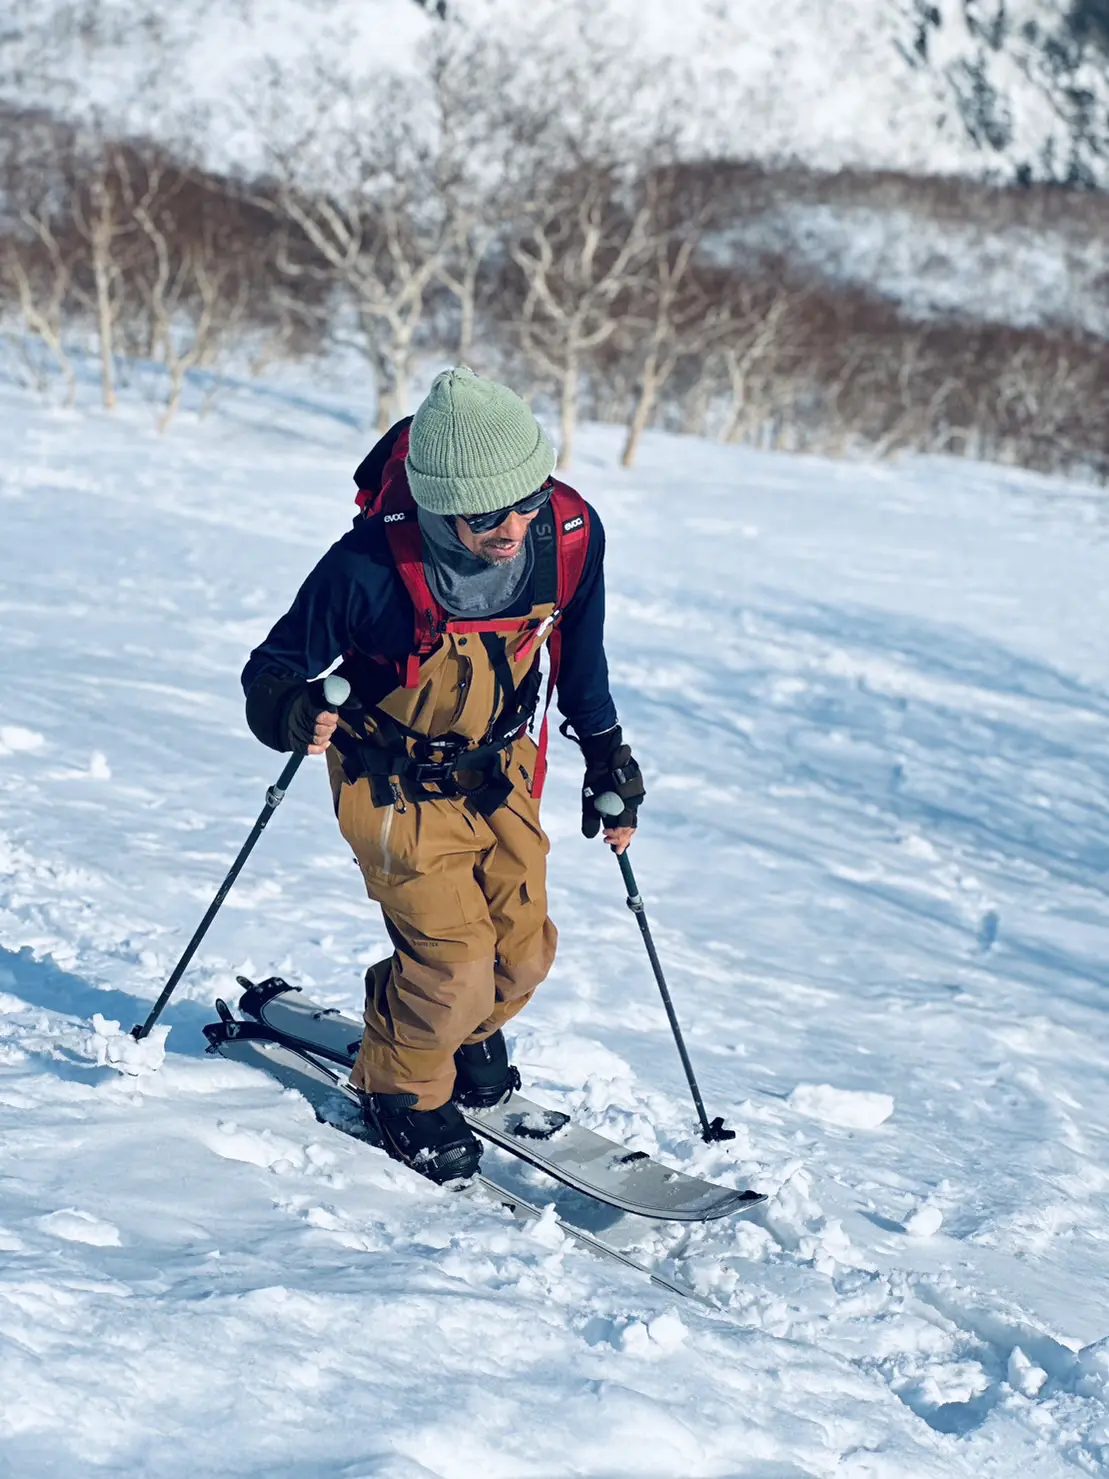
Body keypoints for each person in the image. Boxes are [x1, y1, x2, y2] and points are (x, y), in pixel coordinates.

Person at [241, 367, 644, 1183]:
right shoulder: (367, 568)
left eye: (524, 502)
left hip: (499, 768)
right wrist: (294, 711)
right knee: (453, 963)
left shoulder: (566, 534)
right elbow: (271, 672)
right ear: (433, 503)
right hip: (391, 780)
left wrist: (607, 754)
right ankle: (403, 1088)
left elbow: (580, 655)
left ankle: (450, 1031)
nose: (509, 528)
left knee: (524, 953)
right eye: (483, 515)